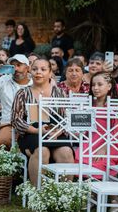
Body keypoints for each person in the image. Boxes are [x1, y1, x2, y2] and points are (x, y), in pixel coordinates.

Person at [11, 57, 75, 185]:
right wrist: (36, 130)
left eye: (43, 69)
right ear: (30, 72)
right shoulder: (22, 93)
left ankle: (64, 194)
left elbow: (67, 118)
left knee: (66, 152)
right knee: (42, 151)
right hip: (31, 133)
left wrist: (57, 132)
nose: (38, 72)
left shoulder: (60, 93)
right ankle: (38, 194)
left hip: (56, 133)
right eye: (34, 69)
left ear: (50, 73)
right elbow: (16, 120)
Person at [82, 72, 118, 212]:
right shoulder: (89, 104)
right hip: (91, 141)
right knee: (82, 158)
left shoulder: (114, 106)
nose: (95, 88)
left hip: (111, 142)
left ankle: (113, 197)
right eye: (93, 85)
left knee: (101, 161)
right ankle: (93, 194)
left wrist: (104, 148)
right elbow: (84, 128)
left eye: (100, 84)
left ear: (109, 86)